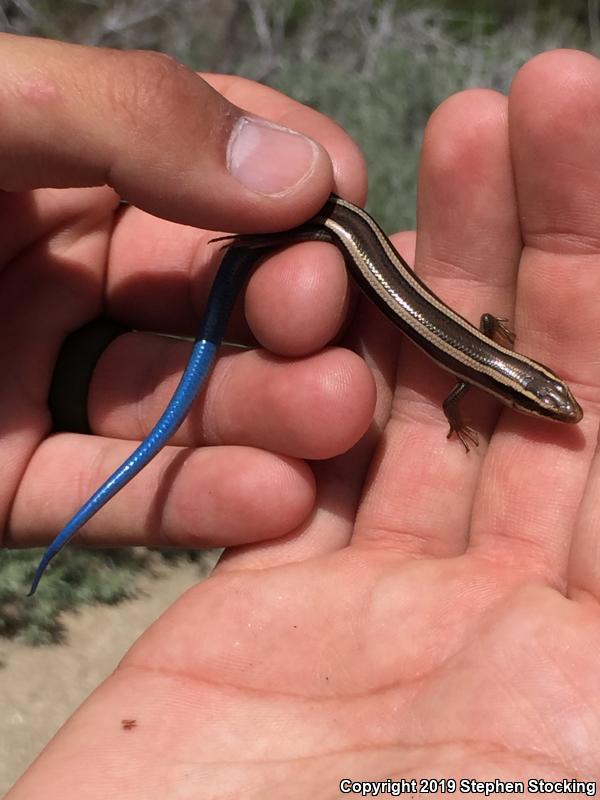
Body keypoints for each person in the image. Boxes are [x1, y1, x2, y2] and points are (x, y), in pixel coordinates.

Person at [5, 33, 600, 795]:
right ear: (524, 384)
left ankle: (253, 255)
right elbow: (461, 384)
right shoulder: (482, 383)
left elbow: (474, 358)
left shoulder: (488, 370)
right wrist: (458, 421)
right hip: (336, 231)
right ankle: (253, 249)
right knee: (302, 297)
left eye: (545, 400)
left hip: (345, 239)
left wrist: (478, 384)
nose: (554, 406)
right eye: (543, 396)